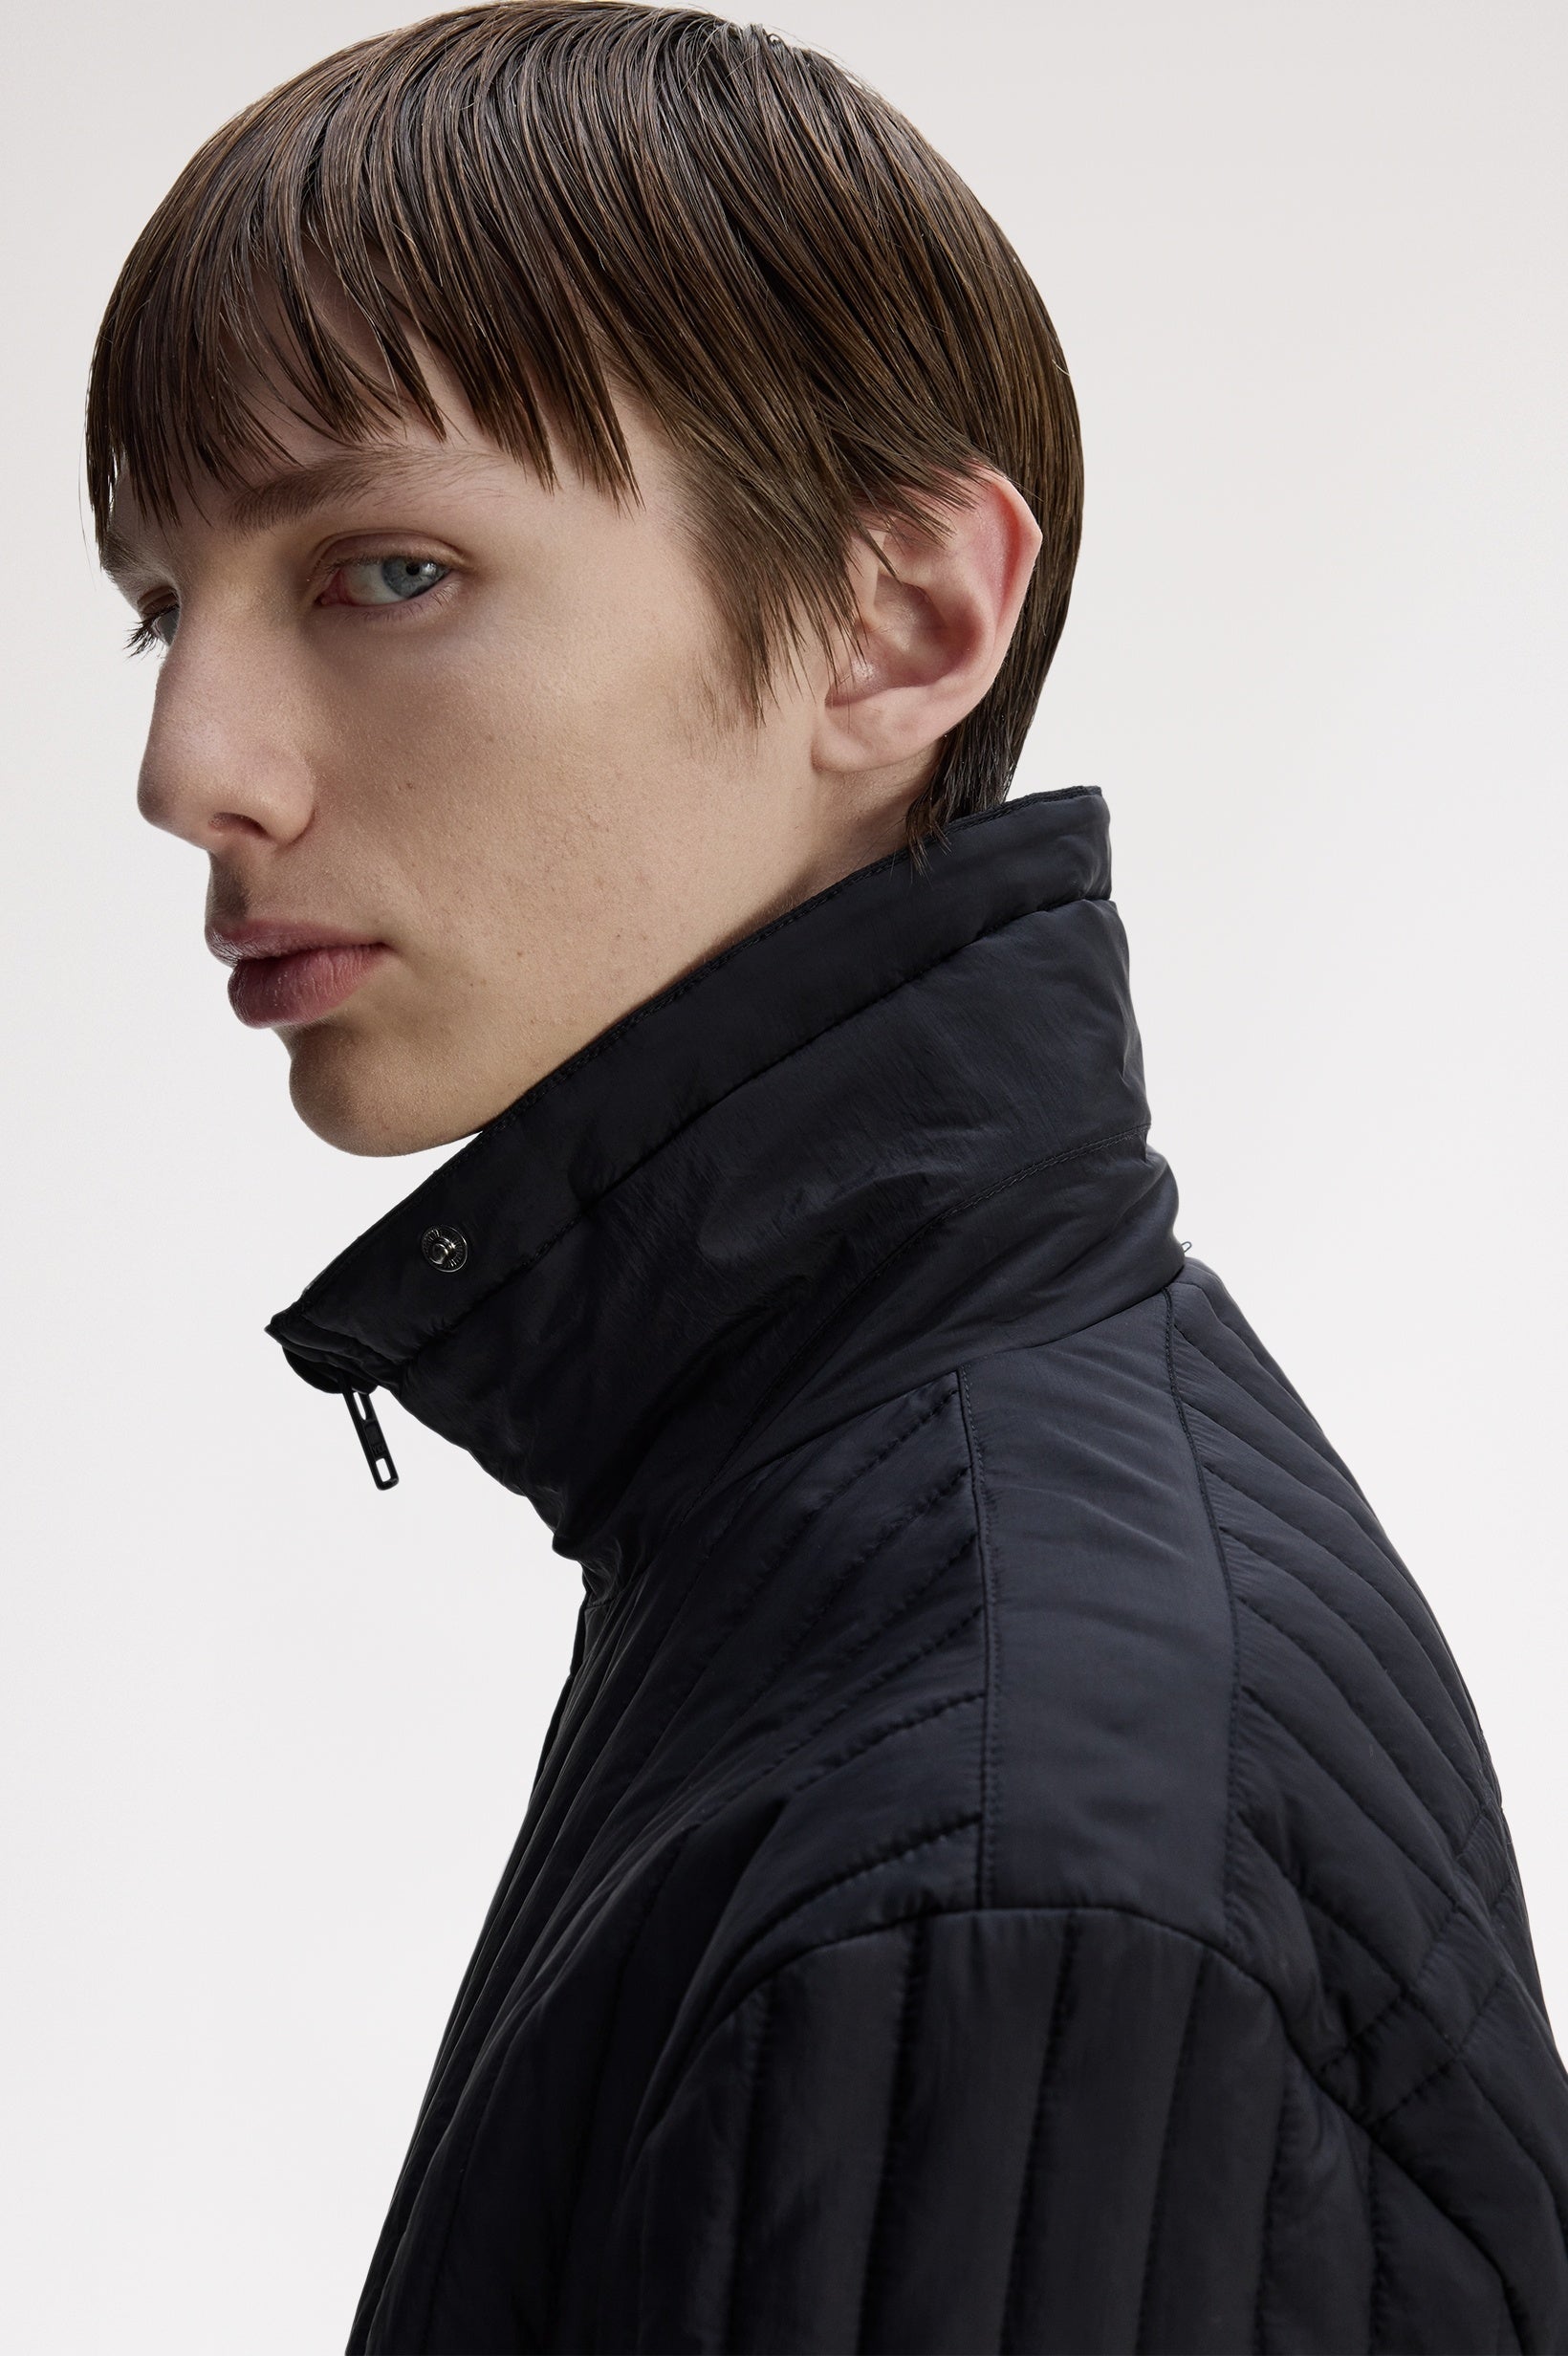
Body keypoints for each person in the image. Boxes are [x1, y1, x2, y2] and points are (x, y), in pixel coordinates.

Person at [88, 5, 1568, 2349]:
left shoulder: (988, 1866)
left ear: (902, 623)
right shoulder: (841, 1511)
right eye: (166, 606)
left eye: (385, 570)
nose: (190, 765)